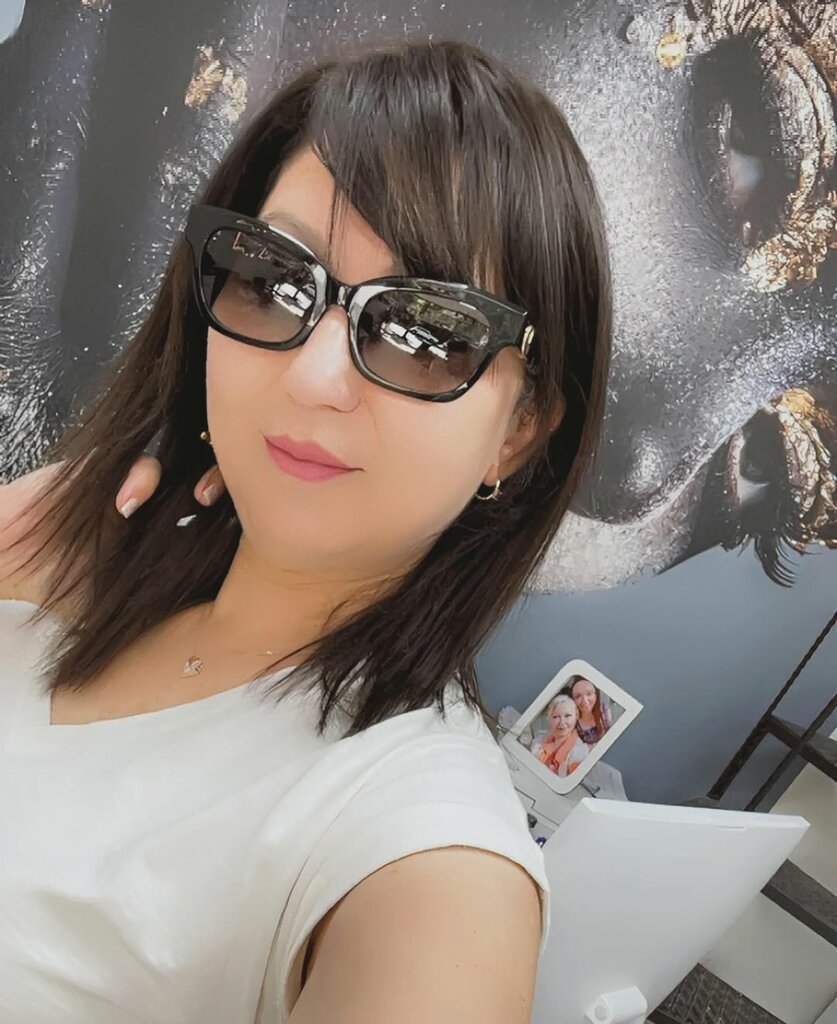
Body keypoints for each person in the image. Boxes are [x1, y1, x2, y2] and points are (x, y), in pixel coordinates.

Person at [0, 39, 611, 1024]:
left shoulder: (422, 849)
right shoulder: (62, 560)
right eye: (276, 280)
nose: (313, 376)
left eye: (422, 333)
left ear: (520, 430)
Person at [533, 695, 590, 777]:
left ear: (576, 716)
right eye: (556, 717)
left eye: (567, 716)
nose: (562, 722)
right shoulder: (538, 742)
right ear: (549, 718)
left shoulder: (580, 752)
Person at [567, 675, 612, 746]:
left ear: (596, 695)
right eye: (578, 696)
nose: (585, 701)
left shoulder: (604, 712)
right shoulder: (571, 722)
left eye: (589, 694)